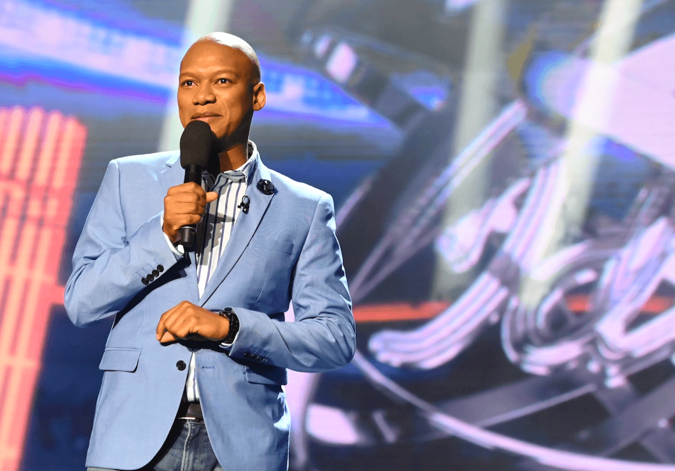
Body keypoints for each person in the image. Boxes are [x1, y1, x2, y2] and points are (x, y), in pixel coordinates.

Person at [65, 32, 355, 471]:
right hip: (132, 439)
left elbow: (334, 338)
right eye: (189, 83)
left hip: (242, 446)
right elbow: (81, 302)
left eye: (221, 81)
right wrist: (161, 236)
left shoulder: (304, 207)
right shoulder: (127, 178)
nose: (202, 96)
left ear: (257, 96)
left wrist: (229, 327)